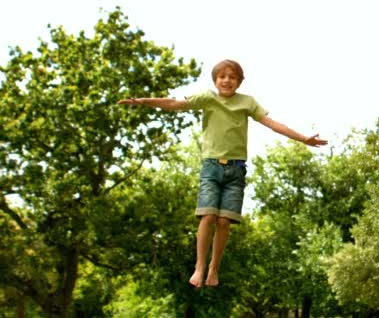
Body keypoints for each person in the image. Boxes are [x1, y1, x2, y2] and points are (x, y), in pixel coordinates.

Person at [117, 59, 327, 288]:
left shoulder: (247, 102)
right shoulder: (208, 98)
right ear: (215, 80)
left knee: (224, 221)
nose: (226, 80)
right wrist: (144, 101)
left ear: (239, 81)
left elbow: (272, 123)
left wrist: (303, 138)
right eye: (222, 77)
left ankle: (214, 268)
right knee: (208, 216)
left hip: (236, 169)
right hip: (211, 167)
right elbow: (174, 104)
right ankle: (199, 267)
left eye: (232, 77)